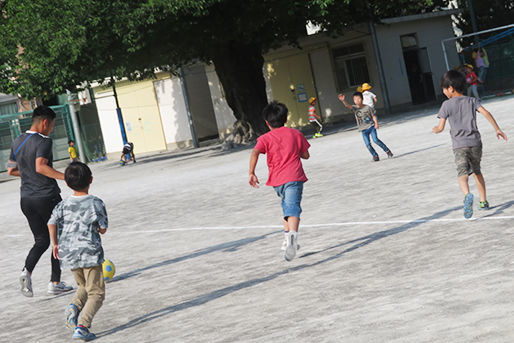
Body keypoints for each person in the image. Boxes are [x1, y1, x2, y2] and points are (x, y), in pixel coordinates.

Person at [6, 105, 73, 297]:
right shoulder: (44, 140)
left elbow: (11, 170)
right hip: (47, 196)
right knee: (58, 238)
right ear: (45, 123)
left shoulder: (17, 140)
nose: (51, 129)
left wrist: (28, 175)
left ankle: (26, 271)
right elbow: (41, 166)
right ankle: (55, 282)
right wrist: (66, 177)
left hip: (26, 199)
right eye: (51, 125)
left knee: (41, 240)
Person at [432, 70, 507, 218]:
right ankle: (483, 201)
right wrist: (497, 129)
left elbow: (440, 127)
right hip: (475, 144)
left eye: (444, 88)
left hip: (459, 145)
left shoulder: (446, 105)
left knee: (462, 174)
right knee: (477, 172)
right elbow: (485, 112)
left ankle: (467, 195)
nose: (443, 91)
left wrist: (436, 130)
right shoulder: (472, 101)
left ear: (451, 88)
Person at [48, 162, 108, 341]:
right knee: (96, 293)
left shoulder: (63, 204)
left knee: (83, 285)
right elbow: (103, 228)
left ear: (66, 183)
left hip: (69, 253)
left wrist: (55, 244)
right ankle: (82, 325)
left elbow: (51, 222)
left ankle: (73, 307)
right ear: (91, 180)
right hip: (89, 253)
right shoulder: (95, 203)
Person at [249, 101, 310, 262]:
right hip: (294, 177)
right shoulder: (296, 134)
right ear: (286, 118)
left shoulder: (265, 138)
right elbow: (306, 155)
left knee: (286, 207)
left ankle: (287, 239)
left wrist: (252, 172)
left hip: (277, 181)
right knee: (293, 208)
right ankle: (293, 237)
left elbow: (255, 153)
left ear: (267, 122)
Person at [338, 92, 393, 161]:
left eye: (358, 99)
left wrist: (376, 124)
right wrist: (343, 101)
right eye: (355, 100)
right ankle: (375, 155)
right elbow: (347, 106)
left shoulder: (368, 107)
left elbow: (373, 116)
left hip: (371, 126)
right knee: (367, 144)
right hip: (363, 130)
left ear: (362, 99)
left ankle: (388, 151)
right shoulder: (355, 108)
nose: (357, 101)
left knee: (375, 140)